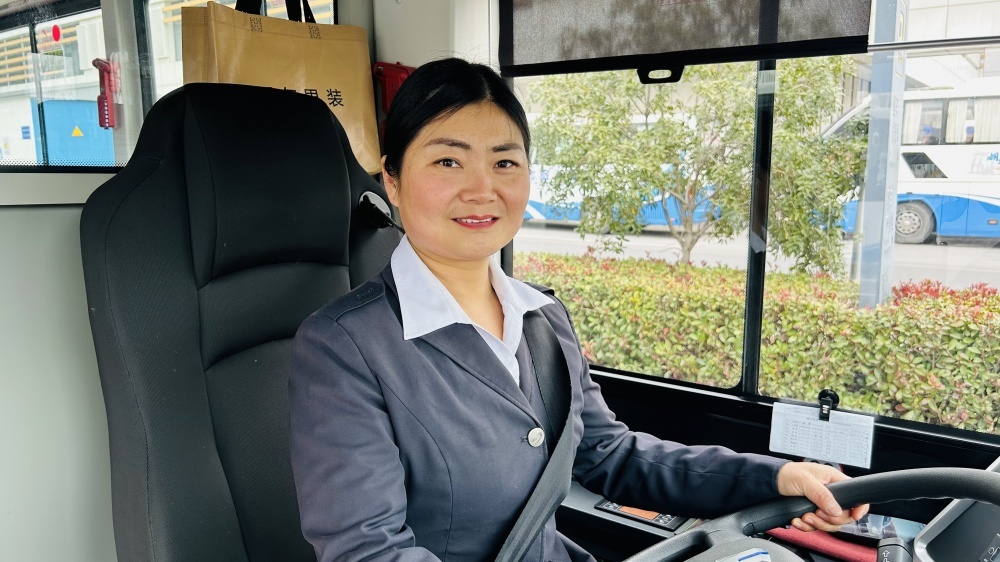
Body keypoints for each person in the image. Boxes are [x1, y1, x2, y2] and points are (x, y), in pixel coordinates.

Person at [288, 57, 868, 562]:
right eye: (447, 162)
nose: (482, 188)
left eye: (505, 162)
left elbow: (610, 456)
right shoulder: (343, 346)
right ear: (391, 180)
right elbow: (368, 550)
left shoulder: (541, 317)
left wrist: (777, 477)